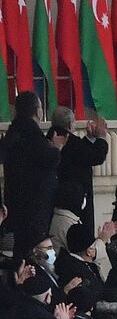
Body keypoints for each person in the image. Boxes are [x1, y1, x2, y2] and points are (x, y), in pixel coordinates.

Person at [1, 90, 61, 253]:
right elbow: (46, 159)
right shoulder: (32, 134)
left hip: (14, 202)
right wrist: (56, 148)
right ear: (36, 111)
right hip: (35, 207)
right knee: (31, 253)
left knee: (19, 250)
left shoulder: (12, 133)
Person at [50, 108, 109, 240]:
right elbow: (96, 156)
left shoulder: (48, 139)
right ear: (70, 125)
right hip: (76, 202)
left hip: (54, 201)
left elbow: (82, 154)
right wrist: (101, 137)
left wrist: (89, 138)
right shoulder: (71, 142)